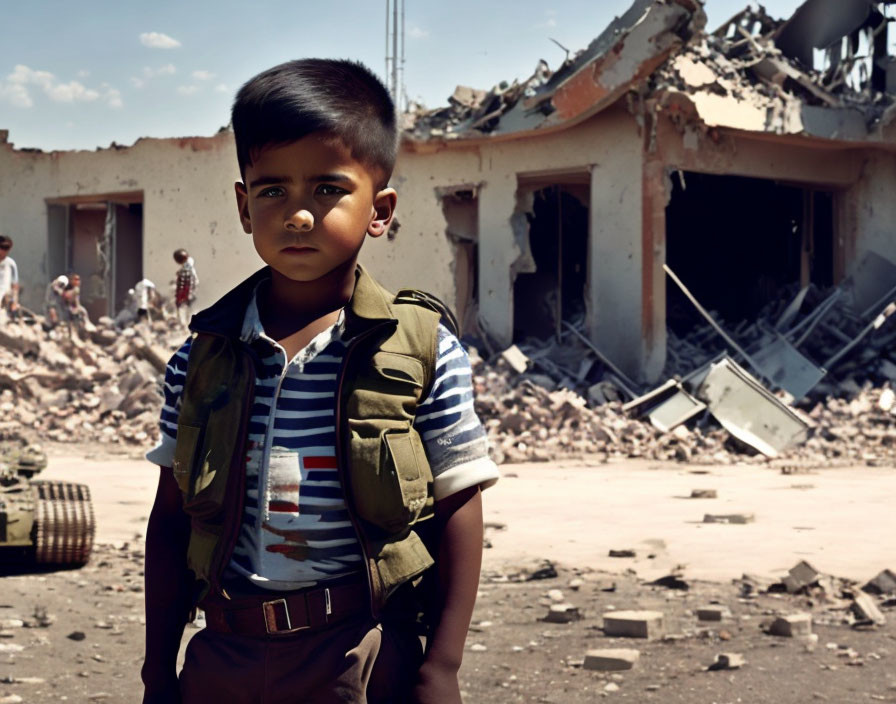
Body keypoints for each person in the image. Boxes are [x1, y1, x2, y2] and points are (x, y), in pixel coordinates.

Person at [142, 59, 499, 704]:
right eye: (272, 190)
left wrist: (439, 667)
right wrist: (156, 672)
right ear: (244, 205)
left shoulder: (418, 351)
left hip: (358, 653)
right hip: (225, 652)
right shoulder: (201, 359)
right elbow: (169, 519)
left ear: (379, 209)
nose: (298, 215)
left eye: (328, 190)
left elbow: (458, 507)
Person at [172, 248, 198, 327]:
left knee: (184, 310)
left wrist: (180, 297)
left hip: (186, 294)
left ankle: (185, 326)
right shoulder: (189, 267)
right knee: (188, 310)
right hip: (189, 293)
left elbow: (184, 284)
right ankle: (187, 325)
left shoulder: (185, 269)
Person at [0, 235, 19, 315]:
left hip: (5, 301)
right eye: (2, 247)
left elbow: (15, 285)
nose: (4, 250)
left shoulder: (10, 263)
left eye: (6, 248)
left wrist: (14, 301)